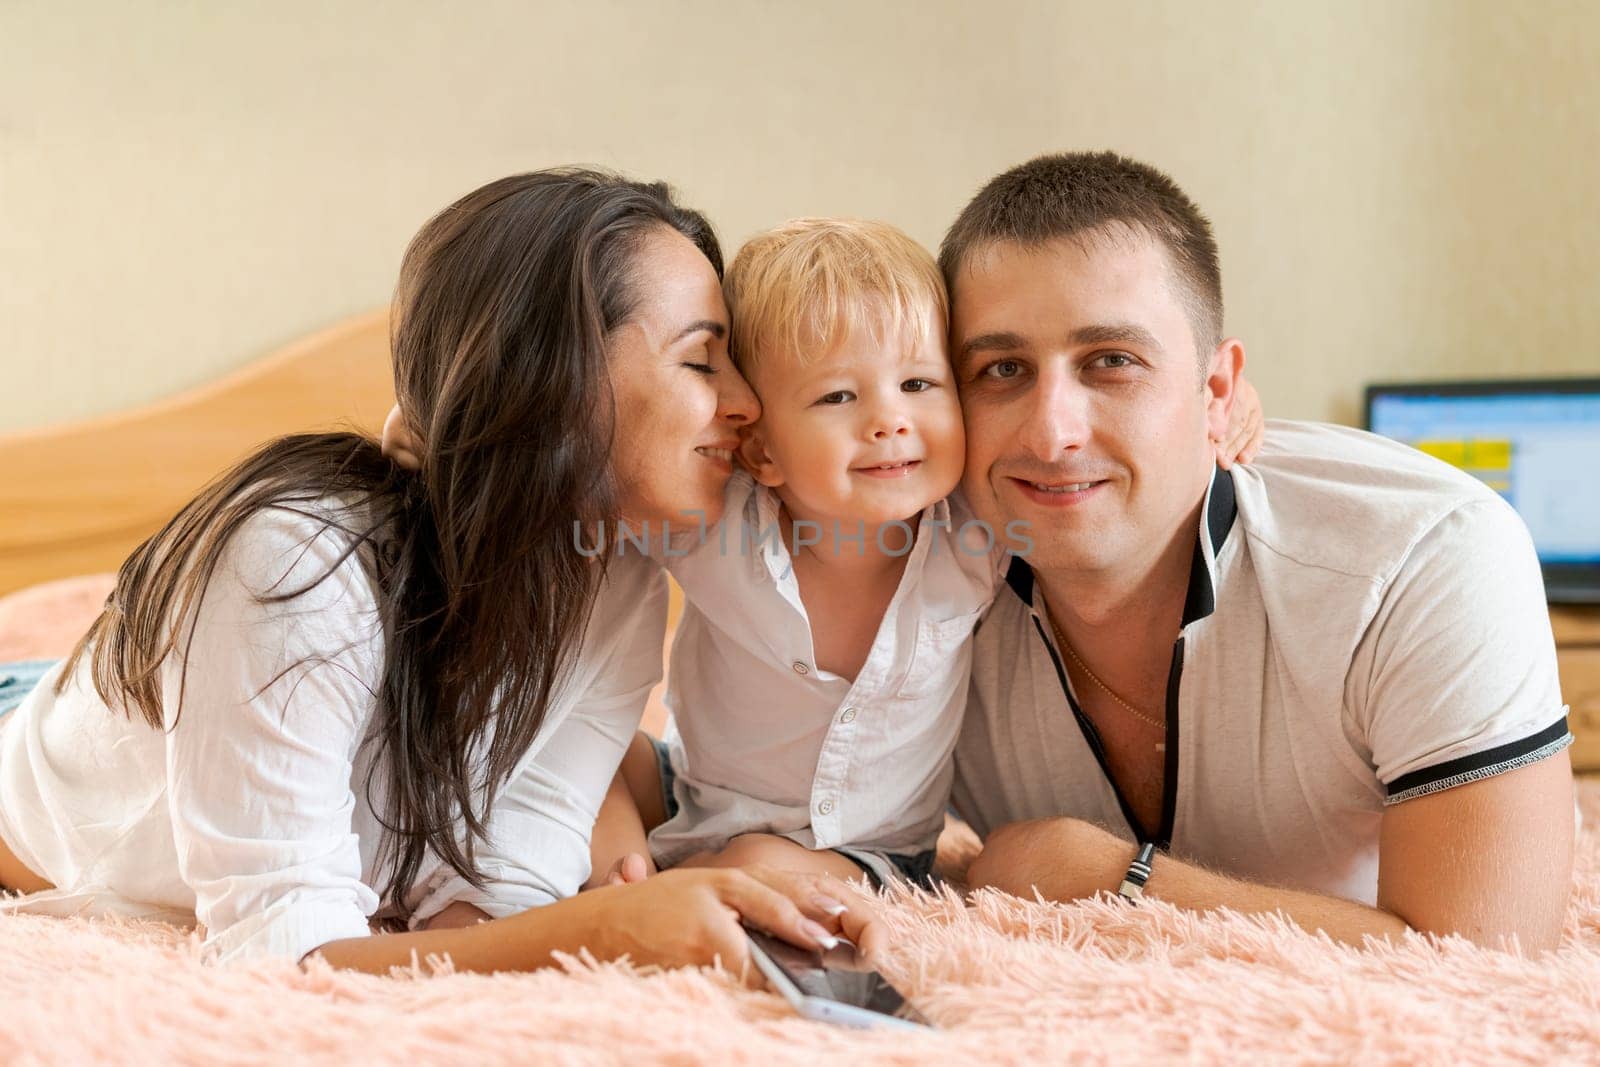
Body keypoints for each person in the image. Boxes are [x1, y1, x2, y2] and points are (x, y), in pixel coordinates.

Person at [0, 169, 880, 972]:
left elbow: (498, 896)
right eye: (701, 359)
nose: (746, 403)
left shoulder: (622, 580)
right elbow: (281, 954)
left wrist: (631, 926)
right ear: (555, 373)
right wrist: (609, 926)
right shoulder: (297, 564)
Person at [942, 150, 1575, 951]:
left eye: (1113, 362)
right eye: (1001, 369)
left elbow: (1489, 956)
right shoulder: (901, 562)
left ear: (1216, 390)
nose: (1052, 431)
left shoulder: (1425, 554)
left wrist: (1111, 877)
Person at [587, 217, 1262, 891]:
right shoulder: (714, 518)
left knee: (755, 870)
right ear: (762, 449)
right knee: (598, 761)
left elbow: (1098, 469)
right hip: (703, 796)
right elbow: (609, 478)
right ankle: (628, 869)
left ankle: (653, 878)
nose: (891, 420)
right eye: (837, 396)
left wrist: (1232, 408)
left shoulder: (973, 528)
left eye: (918, 384)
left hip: (866, 852)